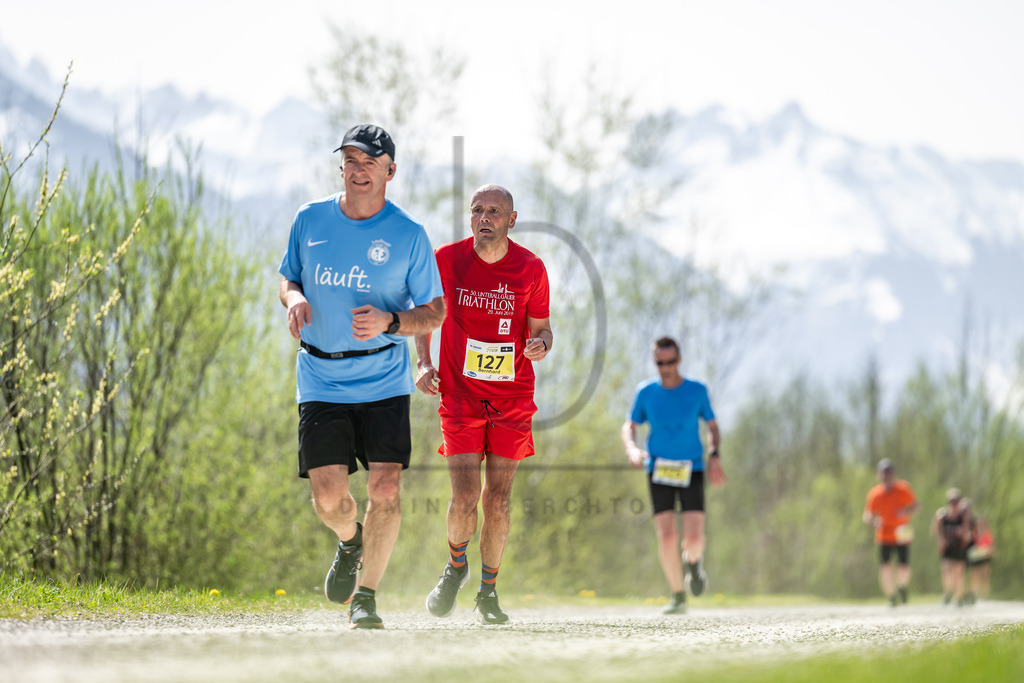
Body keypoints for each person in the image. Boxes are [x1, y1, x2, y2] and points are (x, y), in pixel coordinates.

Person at [278, 124, 445, 629]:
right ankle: (351, 542)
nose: (358, 170)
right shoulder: (310, 219)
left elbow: (435, 310)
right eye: (351, 160)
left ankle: (366, 596)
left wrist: (392, 323)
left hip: (382, 381)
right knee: (329, 497)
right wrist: (296, 298)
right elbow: (288, 276)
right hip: (320, 377)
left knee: (386, 490)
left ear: (390, 171)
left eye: (369, 162)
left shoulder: (409, 235)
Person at [414, 184, 552, 625]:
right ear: (469, 218)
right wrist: (422, 362)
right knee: (464, 497)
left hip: (512, 397)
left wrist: (541, 346)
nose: (484, 216)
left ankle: (488, 591)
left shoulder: (531, 269)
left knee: (498, 500)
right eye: (477, 210)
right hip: (459, 395)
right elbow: (425, 315)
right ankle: (456, 566)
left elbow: (543, 328)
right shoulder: (446, 260)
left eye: (494, 210)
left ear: (512, 219)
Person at [622, 337, 725, 615]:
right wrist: (632, 449)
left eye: (670, 362)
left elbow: (712, 427)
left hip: (692, 468)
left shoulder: (697, 390)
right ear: (655, 362)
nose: (665, 368)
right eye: (659, 363)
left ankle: (694, 563)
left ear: (679, 360)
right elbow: (630, 425)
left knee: (693, 540)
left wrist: (715, 456)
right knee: (667, 536)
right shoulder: (646, 392)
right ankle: (678, 595)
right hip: (659, 468)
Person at [862, 459, 919, 607]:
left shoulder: (904, 488)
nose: (886, 476)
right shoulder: (874, 494)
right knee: (885, 567)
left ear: (893, 474)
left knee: (903, 567)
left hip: (902, 531)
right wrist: (874, 521)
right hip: (884, 533)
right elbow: (867, 515)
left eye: (888, 472)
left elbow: (916, 507)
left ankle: (902, 587)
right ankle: (891, 596)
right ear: (879, 475)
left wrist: (905, 511)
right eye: (883, 473)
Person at [930, 488, 970, 606]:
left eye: (956, 501)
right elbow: (934, 531)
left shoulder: (963, 515)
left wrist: (961, 532)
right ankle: (948, 592)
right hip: (947, 547)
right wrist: (941, 539)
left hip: (959, 546)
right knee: (947, 571)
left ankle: (959, 596)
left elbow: (967, 531)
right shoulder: (941, 515)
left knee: (959, 572)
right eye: (951, 501)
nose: (953, 504)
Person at [963, 500, 995, 603]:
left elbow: (992, 547)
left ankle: (984, 596)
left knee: (985, 577)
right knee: (974, 575)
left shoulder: (988, 534)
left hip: (985, 558)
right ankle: (974, 594)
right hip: (976, 557)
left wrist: (986, 551)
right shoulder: (974, 534)